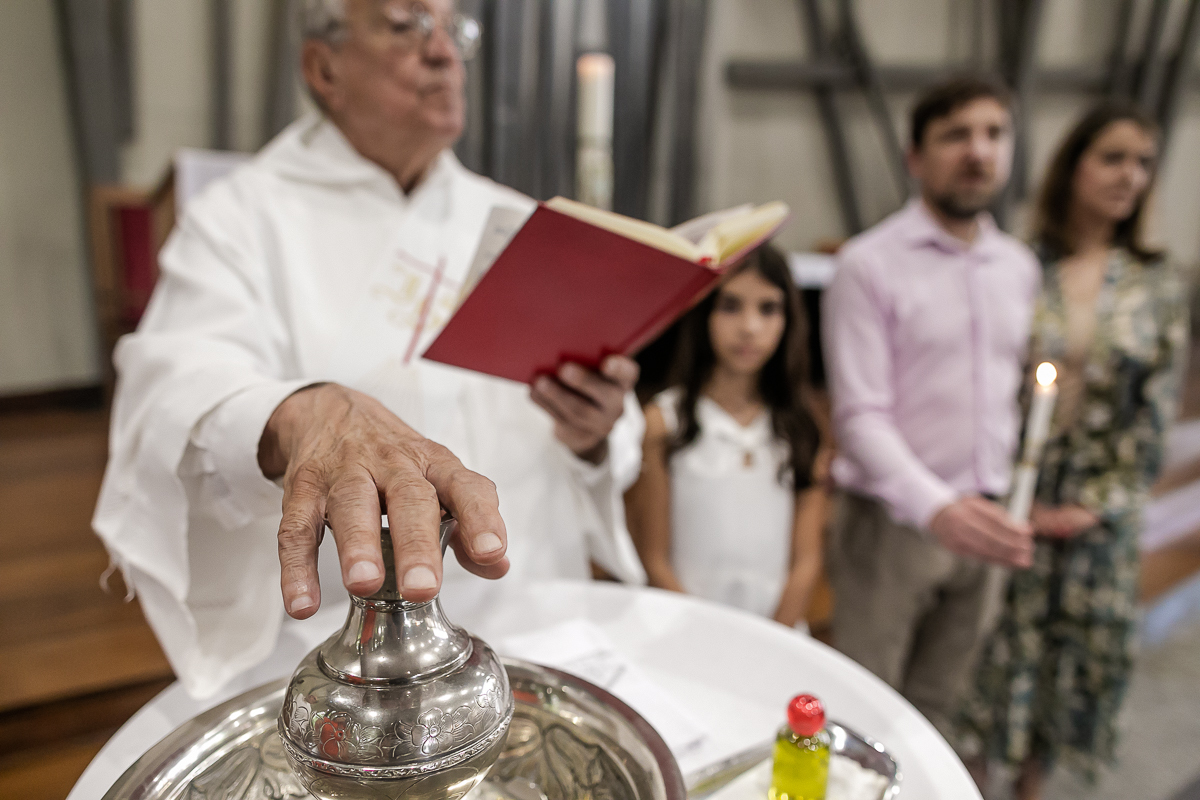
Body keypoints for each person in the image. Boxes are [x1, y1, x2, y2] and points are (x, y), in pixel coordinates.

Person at [92, 0, 646, 698]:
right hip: (357, 658)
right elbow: (174, 389)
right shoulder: (243, 218)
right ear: (324, 67)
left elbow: (599, 434)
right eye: (407, 25)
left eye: (455, 30)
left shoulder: (512, 220)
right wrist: (300, 413)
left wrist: (595, 429)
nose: (443, 52)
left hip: (532, 618)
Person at [959, 103, 1190, 799]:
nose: (1130, 176)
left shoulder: (1156, 283)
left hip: (1096, 518)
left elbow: (1156, 416)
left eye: (1143, 163)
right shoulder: (1022, 266)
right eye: (1113, 158)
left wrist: (1095, 506)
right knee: (989, 672)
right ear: (1074, 168)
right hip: (1015, 499)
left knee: (1062, 685)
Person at [820, 75, 1040, 738]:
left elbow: (1012, 394)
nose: (978, 151)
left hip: (989, 514)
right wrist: (935, 506)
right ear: (916, 158)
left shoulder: (1019, 266)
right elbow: (859, 414)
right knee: (867, 710)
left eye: (994, 134)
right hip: (893, 523)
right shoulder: (869, 264)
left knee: (941, 709)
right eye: (956, 135)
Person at [625, 245, 826, 626]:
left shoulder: (800, 427)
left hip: (776, 635)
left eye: (768, 308)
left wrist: (772, 640)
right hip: (685, 630)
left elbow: (806, 562)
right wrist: (710, 640)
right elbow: (654, 558)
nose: (750, 326)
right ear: (704, 313)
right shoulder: (665, 422)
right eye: (731, 306)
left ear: (789, 319)